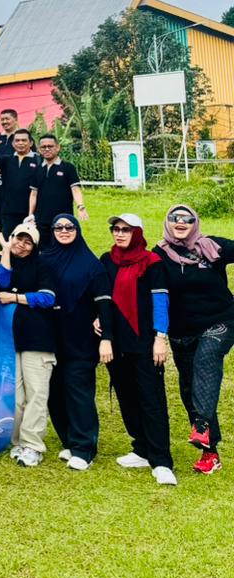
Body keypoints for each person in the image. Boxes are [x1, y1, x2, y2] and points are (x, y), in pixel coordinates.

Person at [155, 204, 234, 474]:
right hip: (182, 331)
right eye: (174, 218)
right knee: (190, 389)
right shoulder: (159, 255)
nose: (180, 222)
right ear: (167, 222)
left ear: (195, 223)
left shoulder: (212, 247)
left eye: (187, 219)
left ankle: (201, 424)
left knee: (206, 359)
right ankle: (210, 453)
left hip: (220, 321)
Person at [100, 214, 174, 485]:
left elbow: (161, 301)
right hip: (117, 343)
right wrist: (99, 321)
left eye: (126, 230)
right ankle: (141, 448)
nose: (119, 234)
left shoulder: (152, 262)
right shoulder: (107, 260)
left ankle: (161, 461)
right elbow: (102, 298)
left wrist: (160, 338)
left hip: (145, 343)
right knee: (127, 397)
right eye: (116, 229)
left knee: (151, 401)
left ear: (138, 233)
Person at [42, 215, 112, 472]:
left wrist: (106, 337)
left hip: (81, 340)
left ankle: (85, 448)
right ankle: (70, 441)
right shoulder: (44, 258)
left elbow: (104, 302)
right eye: (58, 227)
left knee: (78, 392)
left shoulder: (91, 265)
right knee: (54, 392)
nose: (64, 230)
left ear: (78, 230)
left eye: (69, 227)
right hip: (50, 338)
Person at [0, 224, 58, 467]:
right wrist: (6, 251)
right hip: (10, 339)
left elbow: (48, 298)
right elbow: (1, 281)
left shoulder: (43, 264)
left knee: (36, 393)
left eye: (28, 242)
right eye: (18, 238)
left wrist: (17, 298)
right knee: (16, 396)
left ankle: (33, 445)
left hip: (38, 338)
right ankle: (18, 441)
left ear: (35, 246)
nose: (22, 244)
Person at [0, 128, 40, 238]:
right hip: (9, 211)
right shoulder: (7, 160)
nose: (20, 143)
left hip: (32, 212)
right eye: (17, 140)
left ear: (31, 143)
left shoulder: (39, 160)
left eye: (24, 140)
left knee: (30, 241)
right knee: (8, 241)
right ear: (13, 144)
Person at [33, 135, 87, 236]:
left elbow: (75, 189)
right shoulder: (37, 169)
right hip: (41, 219)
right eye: (43, 147)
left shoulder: (68, 167)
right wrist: (30, 215)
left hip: (63, 219)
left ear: (58, 147)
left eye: (50, 146)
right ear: (39, 150)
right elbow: (33, 194)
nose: (47, 149)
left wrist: (80, 206)